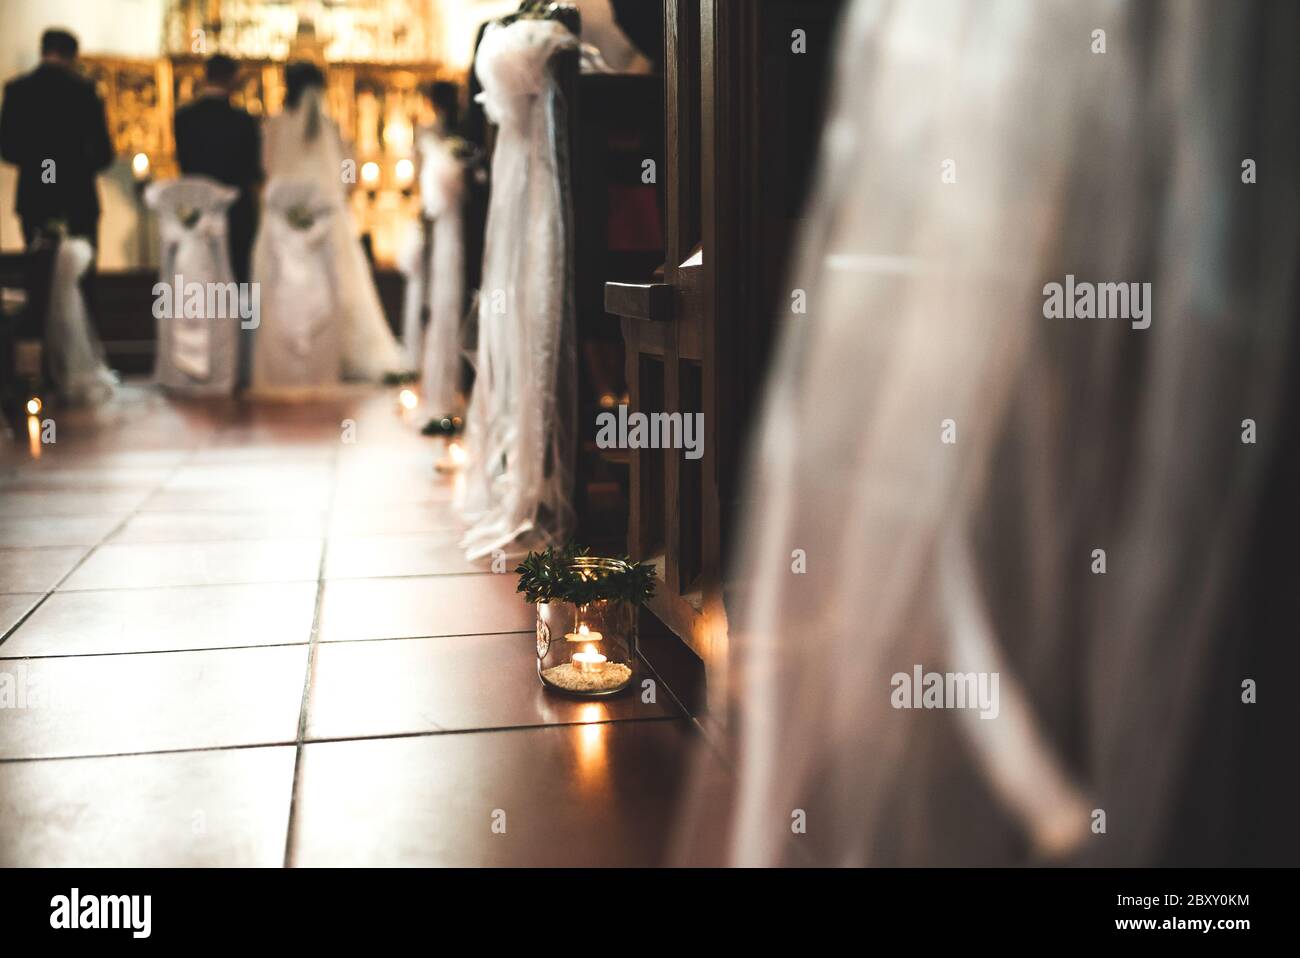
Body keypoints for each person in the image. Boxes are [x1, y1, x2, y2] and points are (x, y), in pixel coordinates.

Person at [250, 61, 405, 394]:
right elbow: (350, 175)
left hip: (281, 225)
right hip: (327, 223)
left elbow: (265, 169)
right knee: (345, 287)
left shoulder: (273, 126)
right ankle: (338, 357)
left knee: (278, 290)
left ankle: (289, 363)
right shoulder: (331, 127)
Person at [0, 28, 113, 248]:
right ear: (72, 55)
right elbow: (103, 153)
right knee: (79, 273)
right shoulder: (86, 91)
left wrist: (39, 164)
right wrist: (74, 167)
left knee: (40, 272)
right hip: (78, 196)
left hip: (35, 194)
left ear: (42, 51)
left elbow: (8, 149)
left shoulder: (17, 91)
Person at [173, 55, 262, 286]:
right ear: (233, 80)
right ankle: (242, 321)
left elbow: (184, 164)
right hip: (236, 210)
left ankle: (205, 320)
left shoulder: (183, 118)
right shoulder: (243, 121)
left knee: (202, 273)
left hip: (198, 207)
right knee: (238, 274)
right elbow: (253, 170)